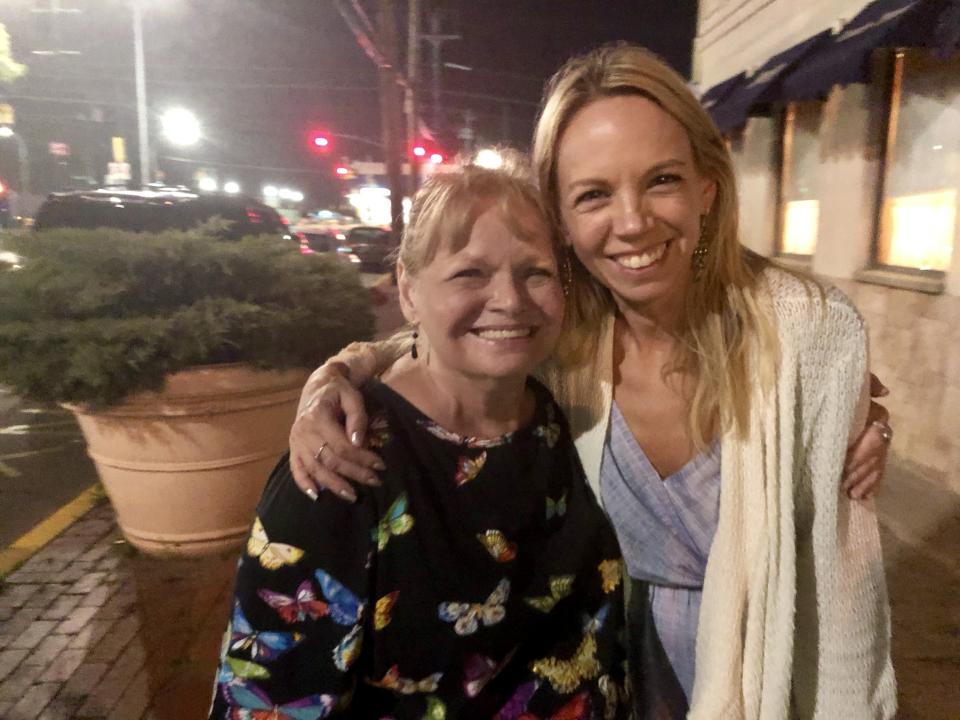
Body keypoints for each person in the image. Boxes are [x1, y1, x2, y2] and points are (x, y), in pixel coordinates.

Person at [285, 43, 897, 719]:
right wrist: (339, 374)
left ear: (707, 189)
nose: (632, 221)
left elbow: (844, 584)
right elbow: (446, 340)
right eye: (594, 195)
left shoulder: (807, 332)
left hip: (762, 688)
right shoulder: (562, 337)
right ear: (564, 224)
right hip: (596, 687)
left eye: (662, 180)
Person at [210, 162, 629, 719]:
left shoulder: (556, 410)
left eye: (536, 272)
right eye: (469, 274)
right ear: (409, 291)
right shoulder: (341, 466)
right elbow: (268, 699)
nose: (510, 299)